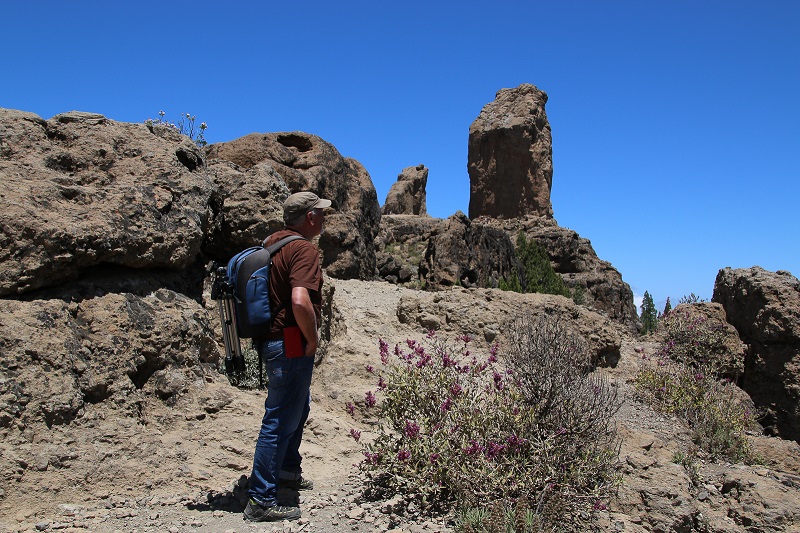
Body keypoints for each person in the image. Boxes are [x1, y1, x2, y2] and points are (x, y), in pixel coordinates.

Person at [244, 191, 331, 522]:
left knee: (298, 405)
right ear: (309, 218)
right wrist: (312, 339)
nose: (324, 219)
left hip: (272, 339)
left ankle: (287, 473)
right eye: (320, 214)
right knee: (280, 416)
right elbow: (299, 301)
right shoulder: (303, 249)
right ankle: (261, 499)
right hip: (291, 340)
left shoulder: (271, 244)